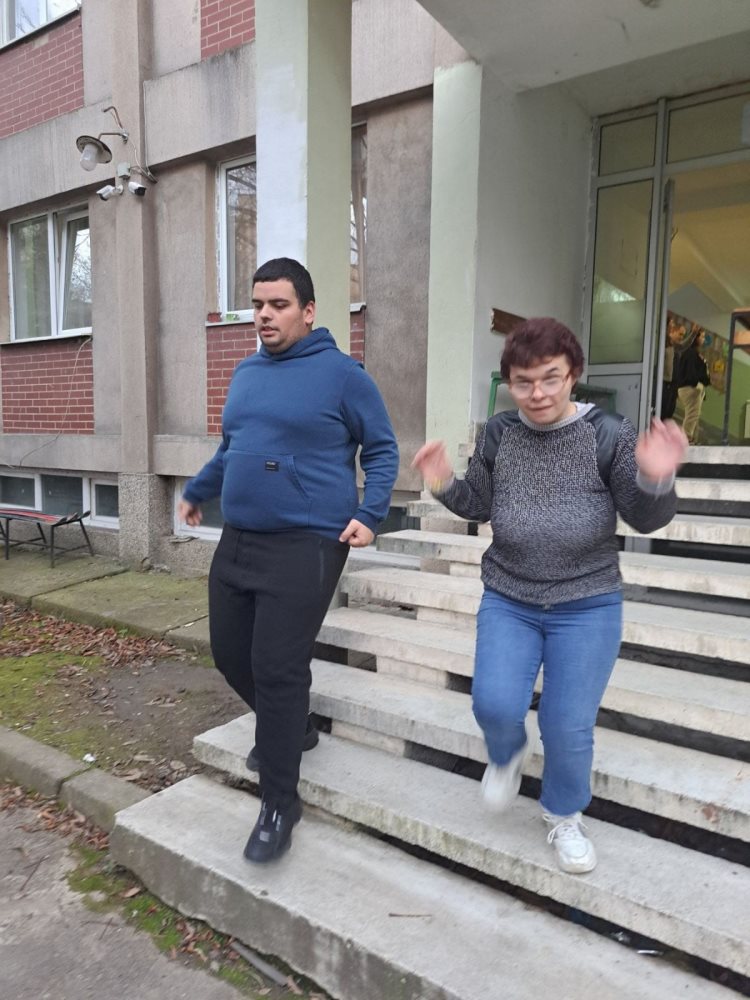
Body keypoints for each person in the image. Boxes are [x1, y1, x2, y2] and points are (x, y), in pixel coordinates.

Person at [412, 318, 686, 874]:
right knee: (493, 704)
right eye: (523, 382)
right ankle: (507, 753)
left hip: (587, 603)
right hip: (510, 596)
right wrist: (441, 481)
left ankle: (564, 816)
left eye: (550, 378)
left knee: (566, 724)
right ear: (509, 383)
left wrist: (656, 479)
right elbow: (477, 503)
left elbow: (643, 518)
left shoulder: (607, 433)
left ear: (573, 375)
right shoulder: (499, 433)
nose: (537, 393)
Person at [178, 258, 399, 863]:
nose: (264, 315)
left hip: (309, 542)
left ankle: (279, 802)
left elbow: (382, 448)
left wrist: (372, 512)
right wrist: (197, 491)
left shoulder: (343, 376)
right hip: (240, 537)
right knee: (231, 654)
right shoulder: (246, 372)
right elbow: (232, 449)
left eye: (278, 304)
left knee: (277, 669)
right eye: (257, 304)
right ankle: (294, 726)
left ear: (308, 311)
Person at [676, 330, 709, 444]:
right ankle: (686, 437)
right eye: (702, 337)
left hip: (688, 387)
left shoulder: (691, 353)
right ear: (696, 338)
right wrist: (697, 385)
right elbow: (692, 373)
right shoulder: (691, 353)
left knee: (694, 414)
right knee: (692, 414)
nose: (703, 339)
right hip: (690, 387)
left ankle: (690, 438)